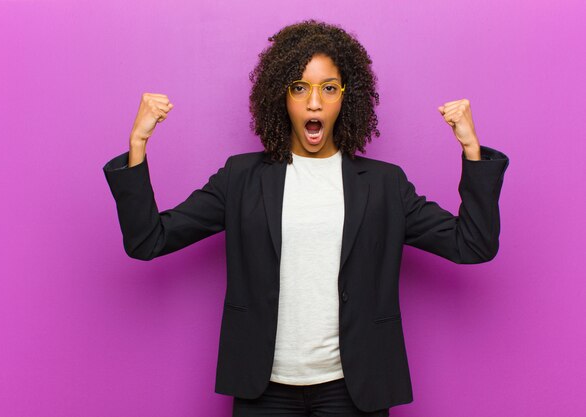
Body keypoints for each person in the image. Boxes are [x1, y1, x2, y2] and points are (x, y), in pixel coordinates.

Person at [103, 19, 509, 417]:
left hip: (354, 389)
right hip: (264, 389)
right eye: (300, 88)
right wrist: (138, 144)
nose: (314, 103)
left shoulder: (384, 185)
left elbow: (471, 244)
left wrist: (472, 150)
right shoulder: (241, 178)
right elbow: (148, 240)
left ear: (345, 98)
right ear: (281, 97)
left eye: (328, 88)